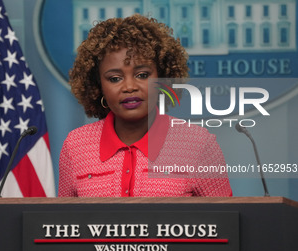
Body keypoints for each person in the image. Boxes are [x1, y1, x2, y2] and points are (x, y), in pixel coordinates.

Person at [58, 14, 232, 197]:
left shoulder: (198, 144)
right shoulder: (76, 146)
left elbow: (226, 222)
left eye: (142, 75)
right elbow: (63, 223)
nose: (130, 87)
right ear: (98, 85)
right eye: (115, 78)